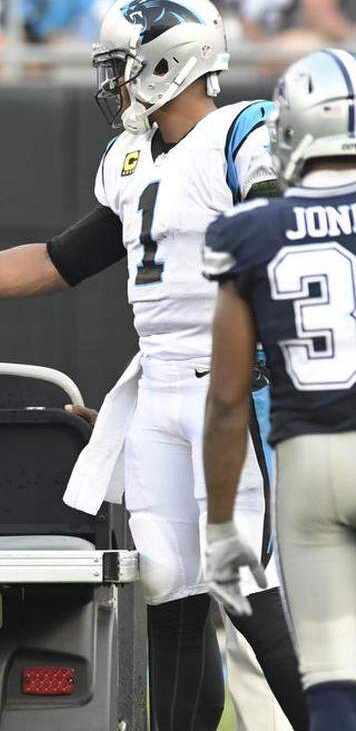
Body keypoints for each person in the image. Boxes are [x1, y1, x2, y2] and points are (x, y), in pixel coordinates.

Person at [0, 0, 308, 731]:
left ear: (169, 62)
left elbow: (282, 228)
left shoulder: (242, 133)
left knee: (250, 586)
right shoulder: (132, 159)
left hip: (234, 383)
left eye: (122, 65)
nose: (113, 82)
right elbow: (60, 260)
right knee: (168, 590)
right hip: (160, 388)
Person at [202, 48, 356, 731]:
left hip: (309, 464)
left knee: (328, 683)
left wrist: (217, 525)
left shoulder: (250, 232)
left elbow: (229, 397)